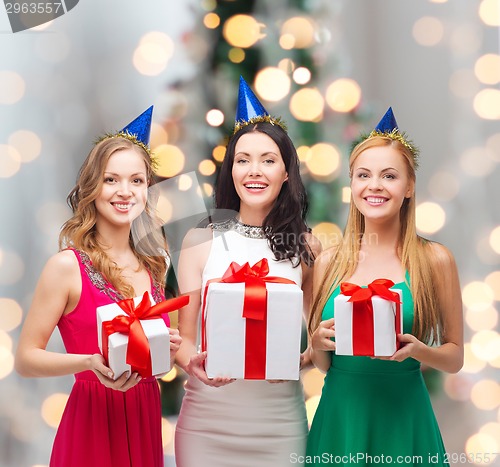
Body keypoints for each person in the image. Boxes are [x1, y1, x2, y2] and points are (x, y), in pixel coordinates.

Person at [15, 106, 181, 467]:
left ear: (148, 190)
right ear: (92, 187)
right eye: (111, 179)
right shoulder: (66, 267)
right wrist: (90, 363)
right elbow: (26, 359)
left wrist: (169, 348)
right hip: (91, 423)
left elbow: (153, 356)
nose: (125, 192)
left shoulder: (155, 264)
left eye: (136, 181)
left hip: (144, 417)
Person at [174, 77, 322, 467]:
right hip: (207, 423)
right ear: (231, 170)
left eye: (268, 160)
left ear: (287, 172)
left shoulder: (307, 247)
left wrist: (301, 360)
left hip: (279, 424)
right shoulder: (199, 240)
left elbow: (320, 341)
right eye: (243, 160)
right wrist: (194, 363)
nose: (254, 171)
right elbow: (184, 340)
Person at [306, 107, 463, 466]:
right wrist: (316, 345)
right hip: (341, 419)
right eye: (363, 175)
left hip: (404, 416)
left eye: (388, 175)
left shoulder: (435, 260)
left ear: (408, 187)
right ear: (352, 185)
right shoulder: (329, 261)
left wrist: (418, 350)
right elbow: (326, 366)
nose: (374, 185)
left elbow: (454, 358)